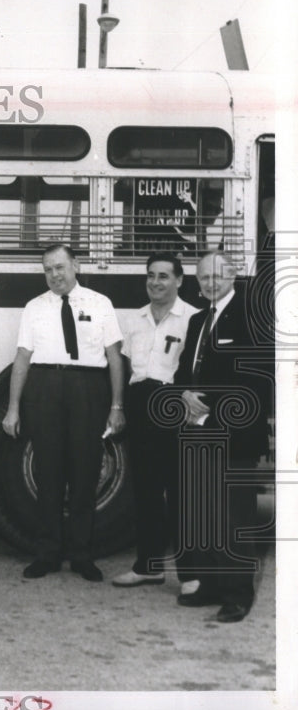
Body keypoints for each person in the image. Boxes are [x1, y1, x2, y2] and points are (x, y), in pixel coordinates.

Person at [2, 244, 125, 582]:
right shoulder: (34, 308)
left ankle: (83, 555)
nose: (54, 275)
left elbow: (114, 357)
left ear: (76, 265)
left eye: (59, 267)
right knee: (49, 474)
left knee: (85, 474)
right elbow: (23, 358)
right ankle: (48, 553)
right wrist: (13, 408)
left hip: (88, 389)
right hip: (44, 388)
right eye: (48, 270)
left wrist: (116, 406)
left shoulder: (100, 304)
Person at [172, 252, 270, 623]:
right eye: (204, 278)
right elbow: (185, 370)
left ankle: (238, 594)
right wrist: (184, 394)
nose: (210, 283)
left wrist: (209, 406)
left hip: (234, 435)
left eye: (217, 276)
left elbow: (256, 381)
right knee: (205, 517)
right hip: (197, 433)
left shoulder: (251, 317)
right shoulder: (199, 320)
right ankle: (211, 585)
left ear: (233, 276)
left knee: (233, 519)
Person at [111, 253, 199, 591]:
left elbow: (195, 373)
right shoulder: (135, 319)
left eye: (164, 276)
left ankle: (189, 574)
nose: (155, 282)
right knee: (145, 490)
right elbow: (127, 367)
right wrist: (119, 407)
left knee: (179, 492)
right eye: (151, 275)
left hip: (174, 403)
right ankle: (148, 566)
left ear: (179, 280)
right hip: (139, 403)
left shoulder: (192, 318)